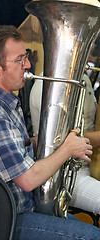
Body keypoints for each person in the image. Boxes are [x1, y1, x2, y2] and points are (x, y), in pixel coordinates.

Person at [0, 25, 100, 239]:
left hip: (16, 208)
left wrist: (45, 141)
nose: (28, 65)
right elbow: (28, 180)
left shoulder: (2, 101)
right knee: (90, 236)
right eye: (20, 59)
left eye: (27, 57)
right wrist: (67, 150)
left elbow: (14, 150)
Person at [29, 72, 100, 214]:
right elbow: (59, 139)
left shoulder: (83, 78)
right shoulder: (47, 84)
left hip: (87, 164)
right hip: (62, 175)